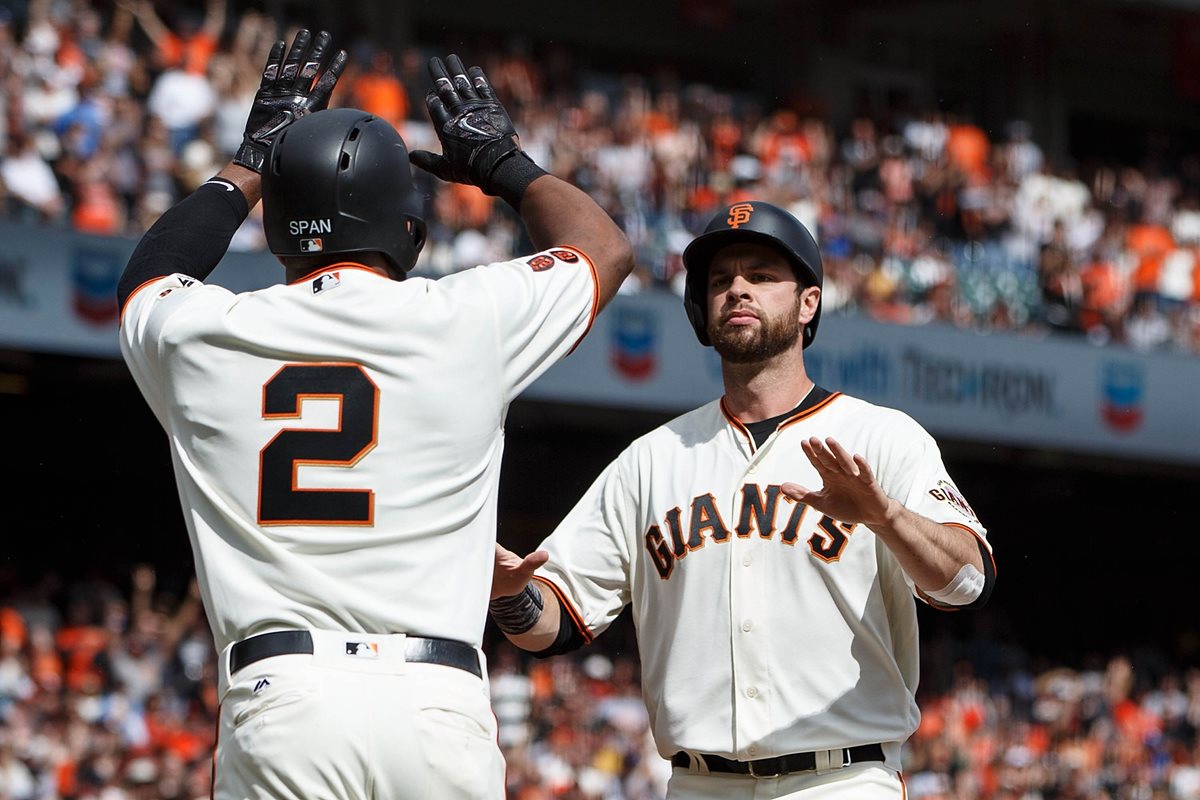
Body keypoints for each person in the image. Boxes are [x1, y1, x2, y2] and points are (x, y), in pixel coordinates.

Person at [117, 27, 633, 800]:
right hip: (435, 702)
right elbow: (604, 247)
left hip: (283, 697)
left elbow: (148, 276)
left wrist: (248, 163)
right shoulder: (470, 317)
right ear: (412, 235)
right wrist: (500, 163)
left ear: (276, 229)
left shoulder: (207, 332)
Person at [492, 200, 995, 798]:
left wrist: (886, 516)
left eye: (761, 275)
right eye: (721, 281)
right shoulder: (651, 459)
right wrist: (509, 596)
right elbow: (554, 624)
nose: (737, 290)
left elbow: (965, 582)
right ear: (702, 311)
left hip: (840, 780)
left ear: (809, 302)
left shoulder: (881, 437)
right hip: (698, 783)